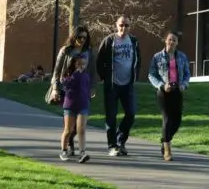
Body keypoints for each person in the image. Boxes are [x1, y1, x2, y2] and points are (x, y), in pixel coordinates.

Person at [96, 15, 141, 157]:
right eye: (121, 25)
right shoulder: (109, 40)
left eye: (127, 25)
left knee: (131, 113)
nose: (124, 28)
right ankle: (112, 146)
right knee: (111, 116)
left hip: (128, 84)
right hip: (112, 85)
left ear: (130, 27)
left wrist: (135, 76)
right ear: (116, 25)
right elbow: (99, 61)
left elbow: (138, 60)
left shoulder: (134, 41)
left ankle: (121, 141)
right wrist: (105, 77)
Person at [49, 26, 96, 157]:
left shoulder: (88, 51)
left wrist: (92, 87)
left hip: (83, 90)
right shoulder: (66, 51)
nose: (82, 40)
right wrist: (55, 88)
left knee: (79, 126)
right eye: (79, 37)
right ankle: (68, 146)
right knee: (69, 126)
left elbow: (92, 71)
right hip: (67, 90)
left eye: (85, 38)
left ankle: (75, 147)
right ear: (74, 37)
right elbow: (57, 71)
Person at [148, 30, 191, 162]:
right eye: (170, 39)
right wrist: (161, 85)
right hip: (164, 91)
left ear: (177, 43)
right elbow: (151, 74)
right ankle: (167, 150)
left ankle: (164, 139)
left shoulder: (182, 57)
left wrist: (184, 84)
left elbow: (187, 74)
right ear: (165, 40)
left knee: (177, 121)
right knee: (166, 119)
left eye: (174, 40)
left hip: (177, 90)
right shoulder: (157, 57)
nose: (171, 42)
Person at [59, 55, 92, 163]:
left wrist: (88, 98)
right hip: (70, 106)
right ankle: (64, 151)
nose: (81, 66)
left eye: (83, 64)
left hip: (83, 105)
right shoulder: (68, 75)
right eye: (78, 64)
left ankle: (82, 153)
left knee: (81, 130)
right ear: (73, 64)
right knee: (68, 130)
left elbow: (87, 89)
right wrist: (74, 75)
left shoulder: (86, 76)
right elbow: (66, 85)